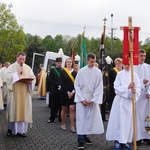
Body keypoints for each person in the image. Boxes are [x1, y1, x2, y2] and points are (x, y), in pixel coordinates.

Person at [106, 61, 141, 150]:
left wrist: (135, 91)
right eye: (125, 64)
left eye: (128, 64)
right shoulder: (120, 74)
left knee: (127, 123)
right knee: (119, 122)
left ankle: (124, 142)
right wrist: (127, 88)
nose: (127, 65)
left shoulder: (134, 75)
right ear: (123, 64)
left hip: (129, 103)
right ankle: (117, 141)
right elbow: (116, 87)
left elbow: (138, 88)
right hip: (120, 102)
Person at [74, 53, 104, 150]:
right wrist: (82, 99)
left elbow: (99, 87)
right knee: (81, 119)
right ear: (87, 61)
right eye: (91, 62)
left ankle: (85, 136)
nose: (93, 64)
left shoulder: (98, 72)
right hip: (82, 96)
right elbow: (77, 86)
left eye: (94, 62)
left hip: (92, 97)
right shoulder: (81, 71)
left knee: (89, 119)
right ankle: (80, 140)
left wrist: (94, 99)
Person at [6, 52, 36, 137]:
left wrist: (29, 82)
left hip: (25, 93)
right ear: (16, 58)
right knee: (13, 111)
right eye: (20, 59)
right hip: (15, 93)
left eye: (23, 59)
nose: (21, 61)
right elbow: (7, 78)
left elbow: (33, 79)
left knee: (23, 111)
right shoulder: (11, 67)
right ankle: (10, 130)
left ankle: (21, 131)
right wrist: (16, 74)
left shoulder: (28, 68)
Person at [134, 49, 150, 146]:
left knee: (148, 117)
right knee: (138, 116)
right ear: (137, 56)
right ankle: (138, 137)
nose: (143, 57)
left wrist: (149, 91)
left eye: (144, 55)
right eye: (141, 55)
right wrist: (141, 82)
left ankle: (148, 137)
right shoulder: (133, 67)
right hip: (138, 96)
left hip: (147, 95)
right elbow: (131, 81)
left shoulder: (148, 67)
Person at [60, 58, 77, 133]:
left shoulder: (75, 73)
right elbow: (62, 83)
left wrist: (72, 92)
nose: (69, 63)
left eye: (70, 62)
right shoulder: (62, 71)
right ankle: (63, 124)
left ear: (72, 63)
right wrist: (67, 92)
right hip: (64, 92)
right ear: (65, 63)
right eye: (67, 62)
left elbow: (77, 84)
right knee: (64, 109)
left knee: (72, 109)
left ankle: (72, 126)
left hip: (73, 93)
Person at [47, 57, 62, 123]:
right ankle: (52, 117)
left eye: (60, 63)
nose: (59, 64)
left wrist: (61, 85)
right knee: (54, 104)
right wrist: (57, 84)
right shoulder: (52, 70)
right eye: (58, 63)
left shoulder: (63, 70)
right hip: (54, 90)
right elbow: (50, 80)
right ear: (56, 63)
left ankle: (61, 118)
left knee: (61, 104)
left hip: (61, 90)